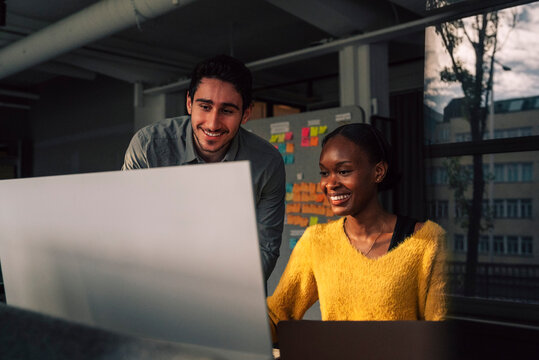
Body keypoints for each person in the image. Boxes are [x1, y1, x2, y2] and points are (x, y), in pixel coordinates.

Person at [267, 123, 446, 342]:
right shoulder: (316, 241)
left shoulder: (428, 241)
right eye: (324, 173)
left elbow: (440, 334)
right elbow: (277, 314)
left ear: (378, 172)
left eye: (343, 171)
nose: (330, 184)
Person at [122, 55, 285, 284]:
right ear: (189, 103)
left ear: (246, 114)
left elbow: (264, 247)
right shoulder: (149, 146)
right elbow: (127, 228)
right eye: (205, 107)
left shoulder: (267, 163)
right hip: (156, 282)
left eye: (227, 111)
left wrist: (228, 296)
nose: (212, 123)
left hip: (232, 288)